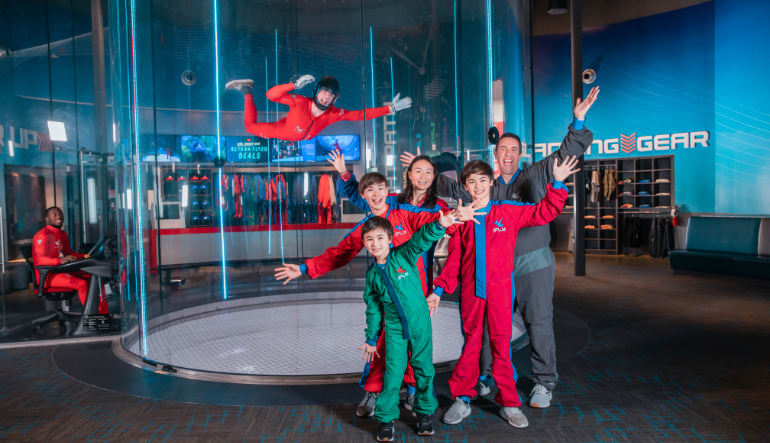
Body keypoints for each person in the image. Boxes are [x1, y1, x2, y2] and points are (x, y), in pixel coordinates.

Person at [402, 85, 599, 408]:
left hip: (532, 264)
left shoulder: (536, 173)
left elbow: (566, 157)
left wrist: (577, 122)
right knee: (484, 328)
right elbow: (453, 185)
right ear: (495, 155)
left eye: (513, 150)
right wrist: (423, 170)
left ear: (520, 154)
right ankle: (484, 377)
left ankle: (543, 381)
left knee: (538, 323)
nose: (507, 154)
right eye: (502, 150)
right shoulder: (485, 188)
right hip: (492, 271)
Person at [274, 172, 480, 417]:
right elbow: (340, 252)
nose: (376, 195)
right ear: (363, 196)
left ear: (387, 190)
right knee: (382, 344)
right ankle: (374, 391)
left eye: (380, 188)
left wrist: (456, 216)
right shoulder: (366, 228)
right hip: (385, 295)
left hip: (413, 292)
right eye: (370, 191)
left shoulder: (404, 214)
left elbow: (433, 222)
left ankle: (413, 391)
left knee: (416, 347)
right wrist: (305, 268)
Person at [433, 157, 579, 429]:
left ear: (491, 182)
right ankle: (462, 398)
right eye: (471, 182)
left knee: (501, 344)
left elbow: (544, 213)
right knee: (471, 345)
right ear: (465, 185)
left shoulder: (507, 210)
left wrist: (557, 182)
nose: (477, 186)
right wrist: (439, 289)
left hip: (500, 289)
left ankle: (509, 403)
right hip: (472, 292)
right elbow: (453, 259)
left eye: (482, 181)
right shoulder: (462, 217)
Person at [358, 210, 459, 441]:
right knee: (393, 372)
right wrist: (372, 338)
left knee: (423, 369)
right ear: (364, 243)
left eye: (380, 237)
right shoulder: (372, 276)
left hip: (419, 323)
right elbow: (372, 308)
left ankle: (423, 414)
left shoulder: (403, 255)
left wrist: (440, 225)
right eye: (370, 239)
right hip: (394, 328)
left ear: (391, 239)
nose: (375, 244)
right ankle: (386, 418)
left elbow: (420, 239)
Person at [226, 75, 412, 141]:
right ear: (316, 91)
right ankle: (246, 90)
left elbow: (360, 115)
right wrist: (293, 85)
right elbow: (271, 95)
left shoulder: (334, 114)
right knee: (250, 127)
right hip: (283, 130)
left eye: (330, 95)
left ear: (335, 98)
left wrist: (391, 108)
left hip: (299, 135)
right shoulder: (299, 102)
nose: (325, 97)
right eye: (323, 92)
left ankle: (246, 90)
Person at [31, 207, 109, 314]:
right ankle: (92, 316)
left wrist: (87, 256)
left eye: (60, 214)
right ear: (47, 219)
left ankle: (103, 314)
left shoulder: (61, 234)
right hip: (47, 275)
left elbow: (69, 254)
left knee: (95, 276)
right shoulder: (42, 235)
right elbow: (40, 260)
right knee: (81, 283)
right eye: (54, 214)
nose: (59, 216)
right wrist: (60, 260)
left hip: (59, 270)